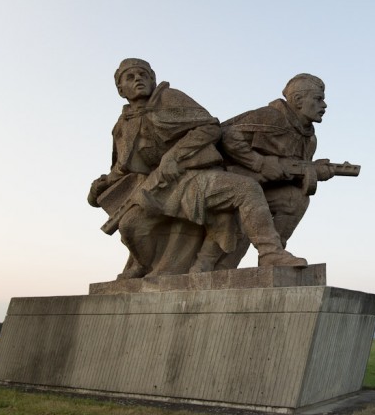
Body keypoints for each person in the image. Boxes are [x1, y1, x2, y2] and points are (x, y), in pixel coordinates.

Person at [88, 58, 306, 278]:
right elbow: (122, 168)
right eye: (130, 77)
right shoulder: (121, 127)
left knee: (246, 189)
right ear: (120, 89)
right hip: (154, 188)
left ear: (153, 80)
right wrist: (100, 188)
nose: (138, 80)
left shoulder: (170, 98)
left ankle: (270, 252)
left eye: (144, 75)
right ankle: (143, 265)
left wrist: (174, 156)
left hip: (191, 178)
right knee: (130, 227)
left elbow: (210, 128)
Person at [217, 74, 335, 267]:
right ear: (298, 100)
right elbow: (227, 135)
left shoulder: (309, 140)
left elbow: (290, 173)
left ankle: (274, 256)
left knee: (296, 198)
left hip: (262, 189)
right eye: (318, 98)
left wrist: (313, 172)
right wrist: (259, 163)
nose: (324, 105)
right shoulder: (271, 116)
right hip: (228, 184)